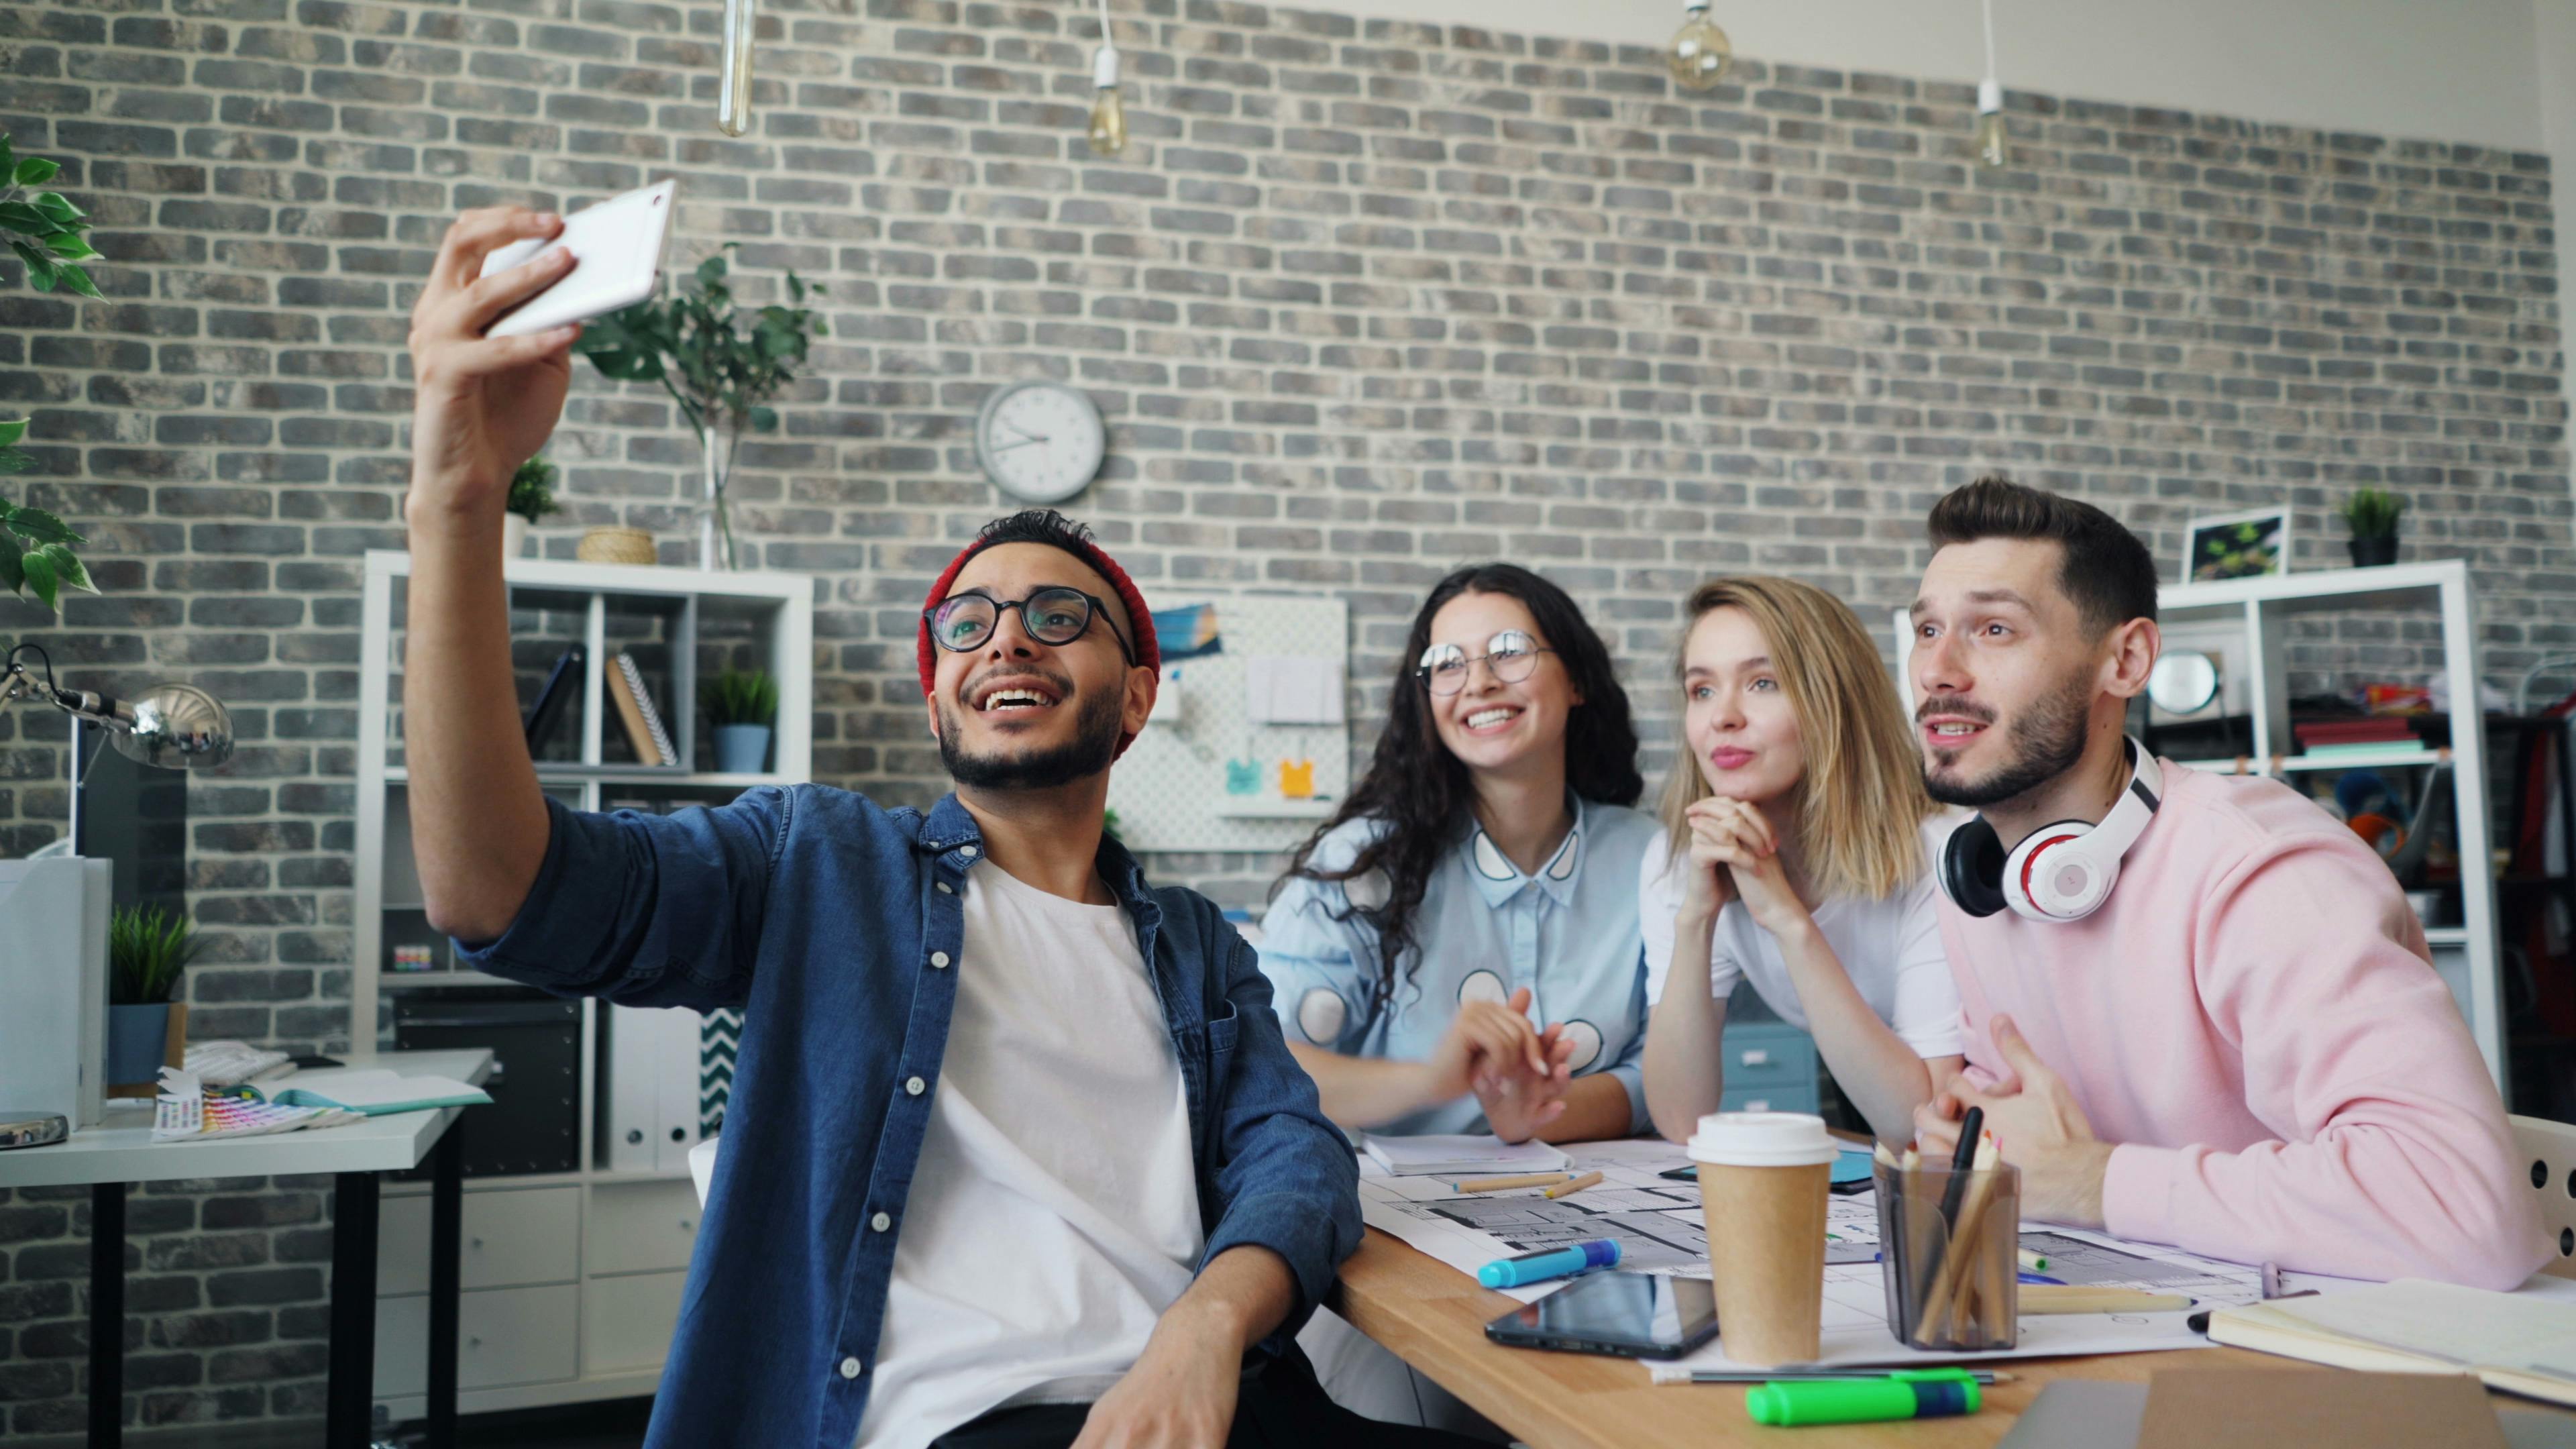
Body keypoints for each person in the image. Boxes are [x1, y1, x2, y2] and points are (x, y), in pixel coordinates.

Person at [402, 205, 1487, 1449]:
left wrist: (1199, 1332)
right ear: (938, 696)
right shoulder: (816, 864)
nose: (1005, 638)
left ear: (1138, 693)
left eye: (1058, 618)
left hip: (1213, 1401)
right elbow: (495, 894)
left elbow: (1296, 1159)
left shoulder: (1196, 946)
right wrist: (459, 492)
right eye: (967, 626)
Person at [1907, 477, 2544, 1289]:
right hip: (2149, 1320)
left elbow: (2463, 1209)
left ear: (2126, 659)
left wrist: (2097, 1181)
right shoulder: (1987, 882)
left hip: (2340, 1356)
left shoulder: (2266, 873)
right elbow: (2034, 1141)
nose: (1937, 669)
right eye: (1928, 628)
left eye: (1993, 629)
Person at [1260, 564, 1656, 1147]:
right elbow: (1264, 1063)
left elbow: (1666, 1076)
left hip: (1590, 1197)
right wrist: (1432, 1082)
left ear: (1576, 681)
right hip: (1394, 1215)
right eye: (1447, 663)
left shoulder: (1650, 858)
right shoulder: (1363, 862)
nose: (1479, 683)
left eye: (1509, 651)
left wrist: (1538, 1109)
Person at [1637, 577, 1966, 1148]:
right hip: (1878, 1103)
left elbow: (1926, 1125)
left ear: (1833, 701)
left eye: (1762, 683)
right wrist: (1695, 920)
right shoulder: (1681, 858)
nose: (1723, 717)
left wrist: (1788, 920)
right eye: (1702, 691)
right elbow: (1679, 1119)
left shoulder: (1938, 852)